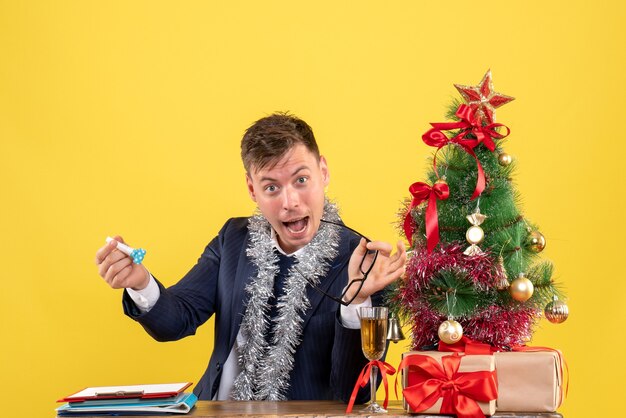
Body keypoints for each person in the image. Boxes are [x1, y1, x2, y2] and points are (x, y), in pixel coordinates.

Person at [94, 113, 406, 403]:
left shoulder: (363, 263)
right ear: (252, 189)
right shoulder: (233, 238)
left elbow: (357, 393)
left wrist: (355, 300)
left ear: (322, 172)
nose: (290, 203)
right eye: (271, 187)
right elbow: (177, 320)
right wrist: (140, 283)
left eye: (301, 180)